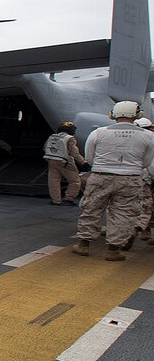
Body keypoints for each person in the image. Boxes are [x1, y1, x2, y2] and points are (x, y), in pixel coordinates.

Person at [72, 101, 154, 261]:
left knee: (92, 208)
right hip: (130, 178)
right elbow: (146, 161)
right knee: (123, 213)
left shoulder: (98, 132)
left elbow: (89, 157)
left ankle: (83, 245)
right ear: (137, 115)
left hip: (100, 175)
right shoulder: (149, 136)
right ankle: (112, 249)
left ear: (113, 114)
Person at [43, 121, 90, 205]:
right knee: (75, 181)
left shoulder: (52, 136)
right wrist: (83, 163)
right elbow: (74, 153)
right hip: (65, 162)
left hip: (52, 161)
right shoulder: (69, 138)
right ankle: (68, 199)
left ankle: (56, 200)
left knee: (54, 181)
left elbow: (45, 148)